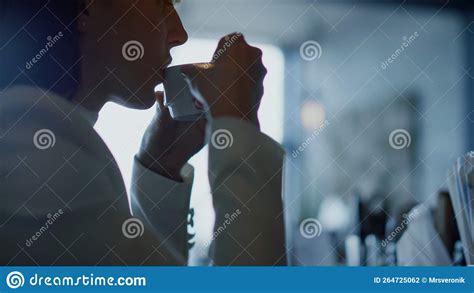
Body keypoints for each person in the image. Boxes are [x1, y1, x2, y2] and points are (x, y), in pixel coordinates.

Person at [0, 0, 286, 265]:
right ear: (87, 7)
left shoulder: (36, 143)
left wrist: (160, 170)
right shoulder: (33, 164)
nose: (179, 34)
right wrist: (237, 125)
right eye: (163, 3)